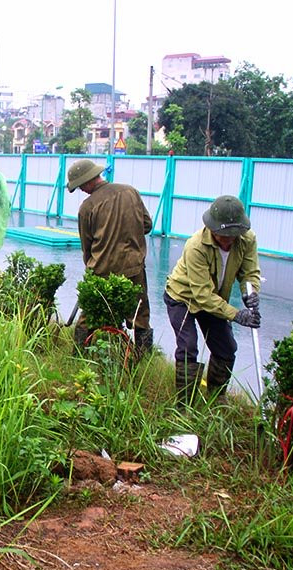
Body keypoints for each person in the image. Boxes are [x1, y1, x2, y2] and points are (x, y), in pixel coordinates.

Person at [164, 195, 261, 406]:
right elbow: (202, 295)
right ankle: (184, 405)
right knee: (188, 346)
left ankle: (217, 396)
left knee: (226, 347)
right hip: (183, 297)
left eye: (232, 235)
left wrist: (249, 293)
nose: (228, 240)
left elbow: (250, 272)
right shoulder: (195, 246)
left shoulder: (247, 239)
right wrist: (236, 314)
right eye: (222, 235)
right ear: (212, 228)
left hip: (214, 299)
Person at [66, 158, 154, 354]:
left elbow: (86, 246)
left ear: (89, 181)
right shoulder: (130, 192)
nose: (81, 190)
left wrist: (91, 266)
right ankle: (144, 360)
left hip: (101, 271)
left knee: (89, 316)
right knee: (141, 317)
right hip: (134, 268)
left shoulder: (87, 207)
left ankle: (78, 355)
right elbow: (147, 225)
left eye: (80, 186)